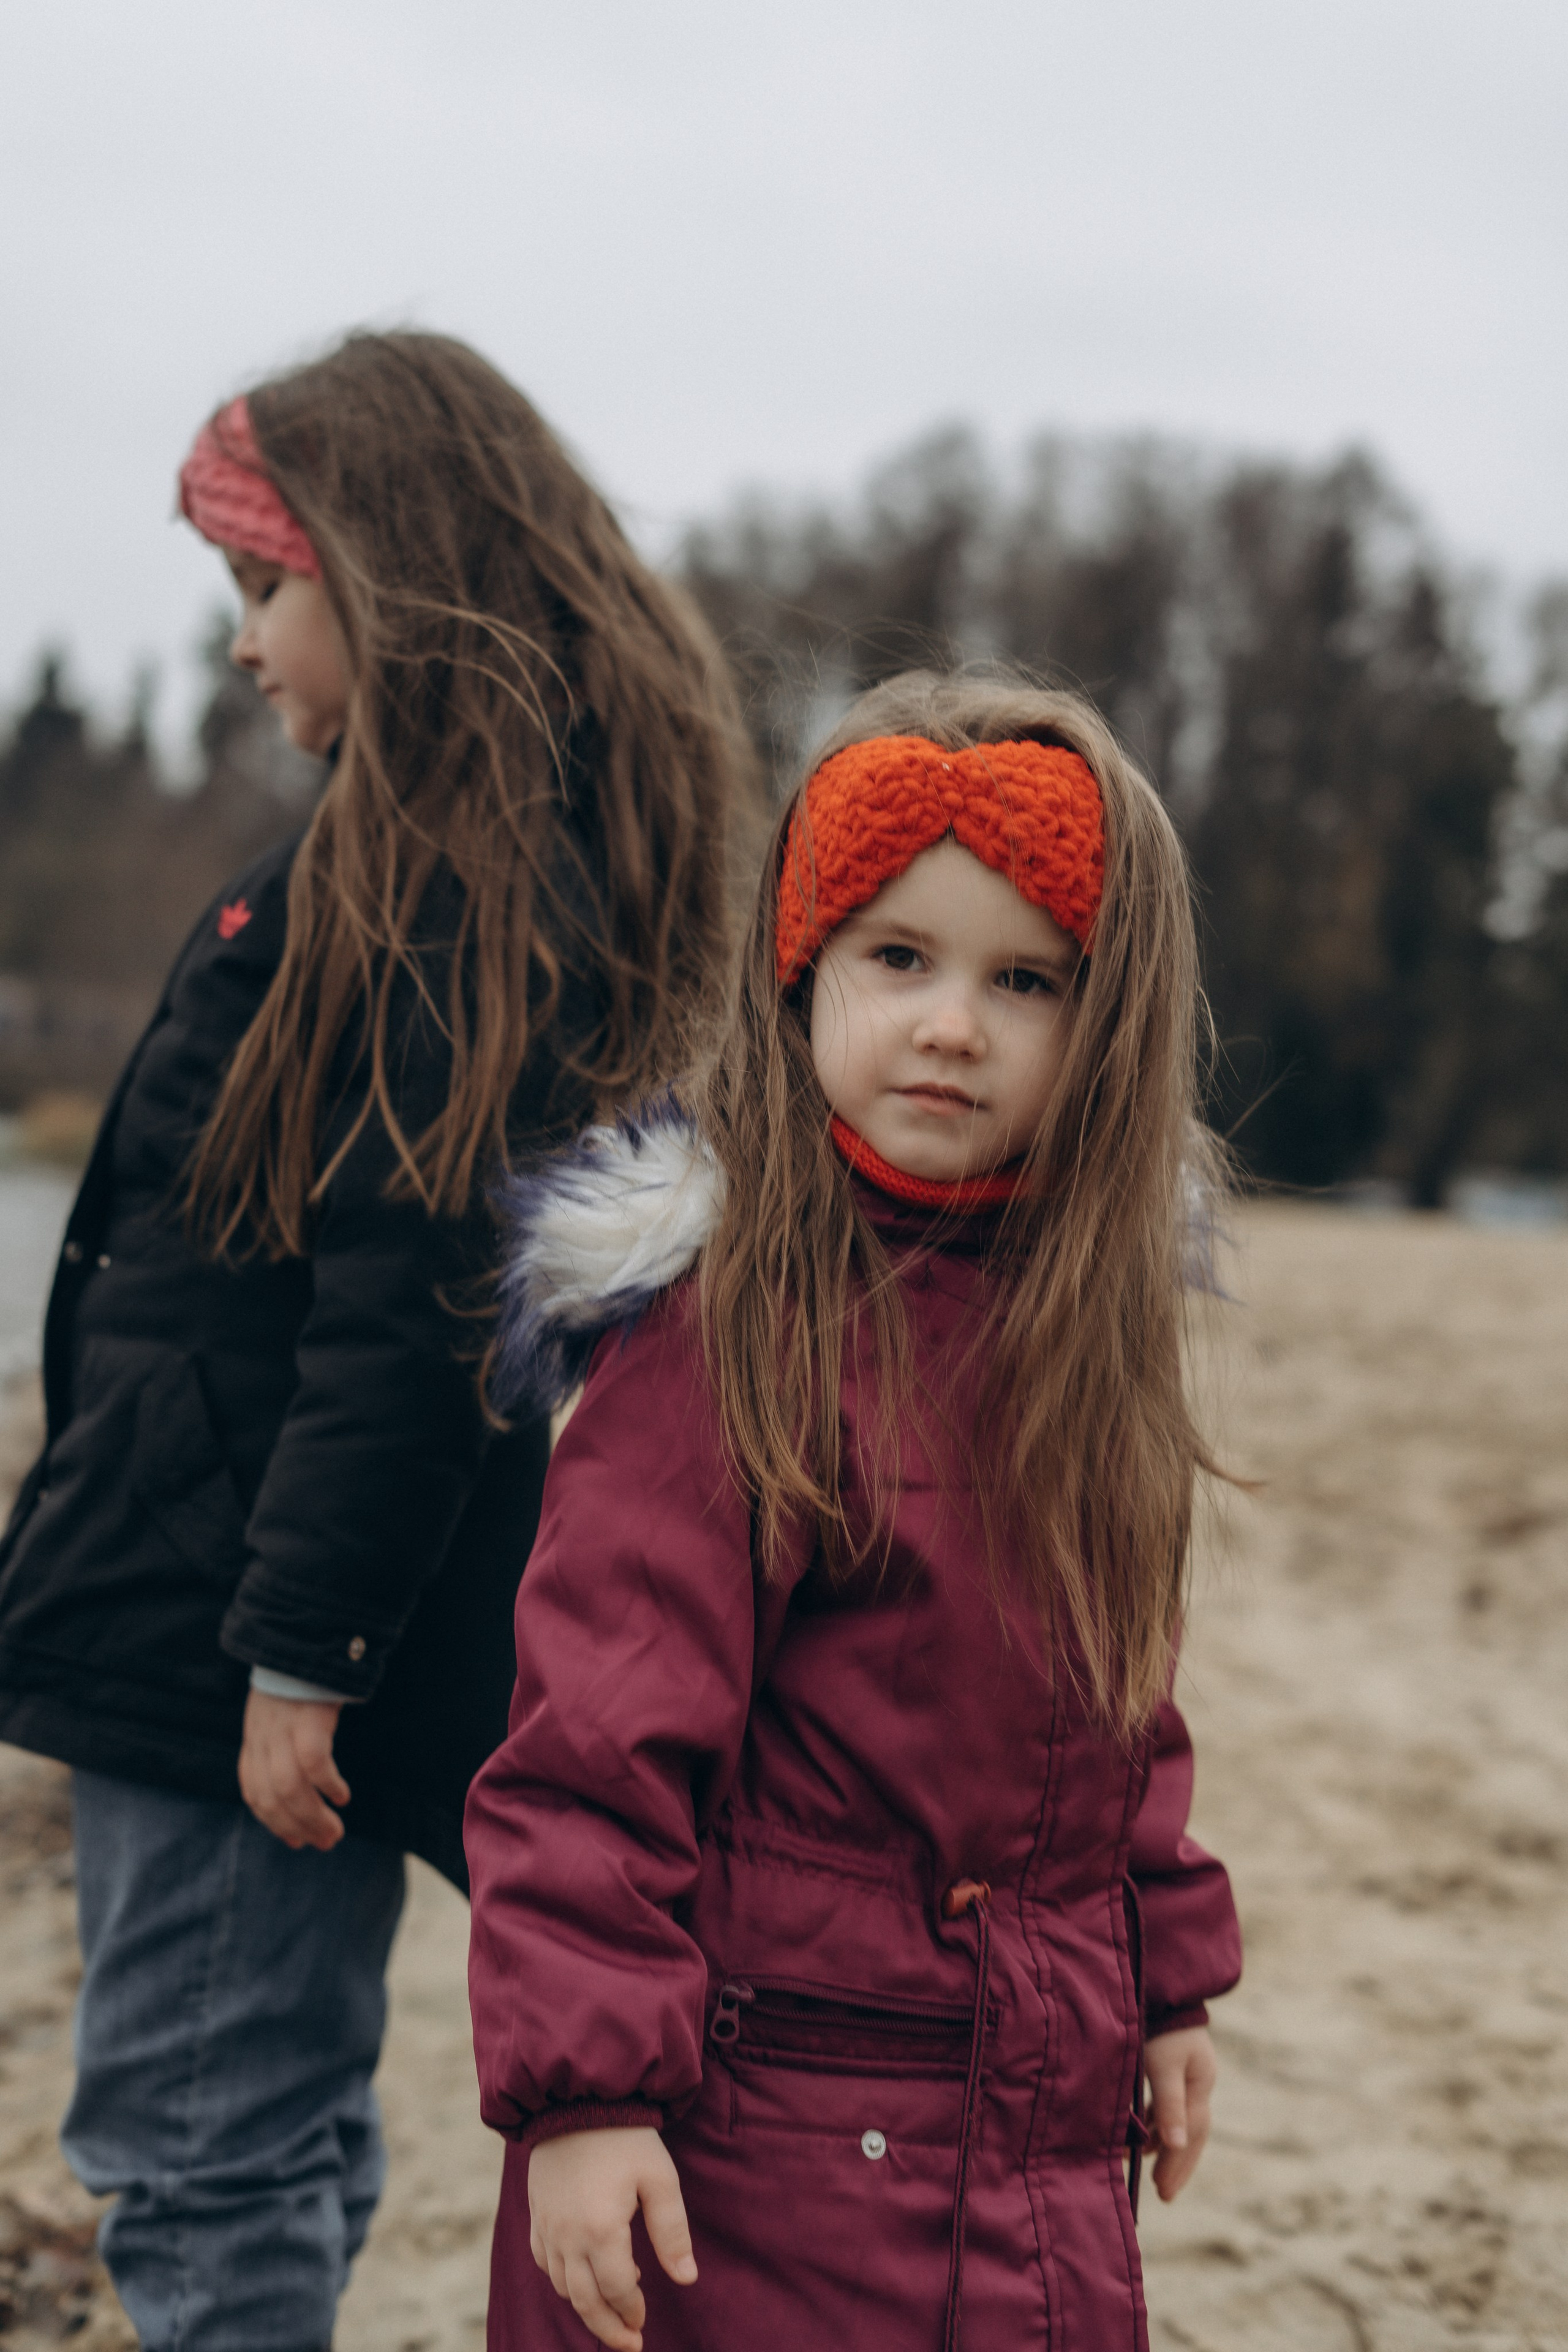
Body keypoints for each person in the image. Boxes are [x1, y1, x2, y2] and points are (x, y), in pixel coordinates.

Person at [0, 331, 754, 2352]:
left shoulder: (447, 883)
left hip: (227, 1627)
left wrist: (296, 1655)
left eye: (266, 585)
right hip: (225, 1595)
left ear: (390, 568)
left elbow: (418, 1306)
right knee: (263, 2118)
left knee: (201, 2135)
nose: (245, 646)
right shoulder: (419, 862)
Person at [465, 671, 1245, 2352]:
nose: (952, 1024)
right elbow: (593, 1748)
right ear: (802, 972)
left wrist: (1165, 1971)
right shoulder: (728, 1323)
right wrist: (586, 2100)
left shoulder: (1081, 1333)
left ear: (1104, 1031)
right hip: (770, 2133)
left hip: (1027, 2109)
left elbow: (1117, 1699)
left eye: (1023, 980)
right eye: (899, 959)